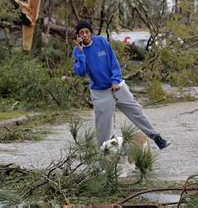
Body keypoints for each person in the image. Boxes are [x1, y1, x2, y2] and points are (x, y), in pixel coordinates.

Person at [72, 20, 171, 149]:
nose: (85, 35)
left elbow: (114, 62)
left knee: (137, 111)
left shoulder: (101, 42)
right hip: (100, 93)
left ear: (90, 32)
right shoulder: (77, 50)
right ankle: (103, 156)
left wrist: (115, 80)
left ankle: (157, 138)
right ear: (78, 36)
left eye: (87, 32)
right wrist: (80, 52)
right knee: (103, 127)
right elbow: (80, 72)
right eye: (81, 33)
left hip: (117, 86)